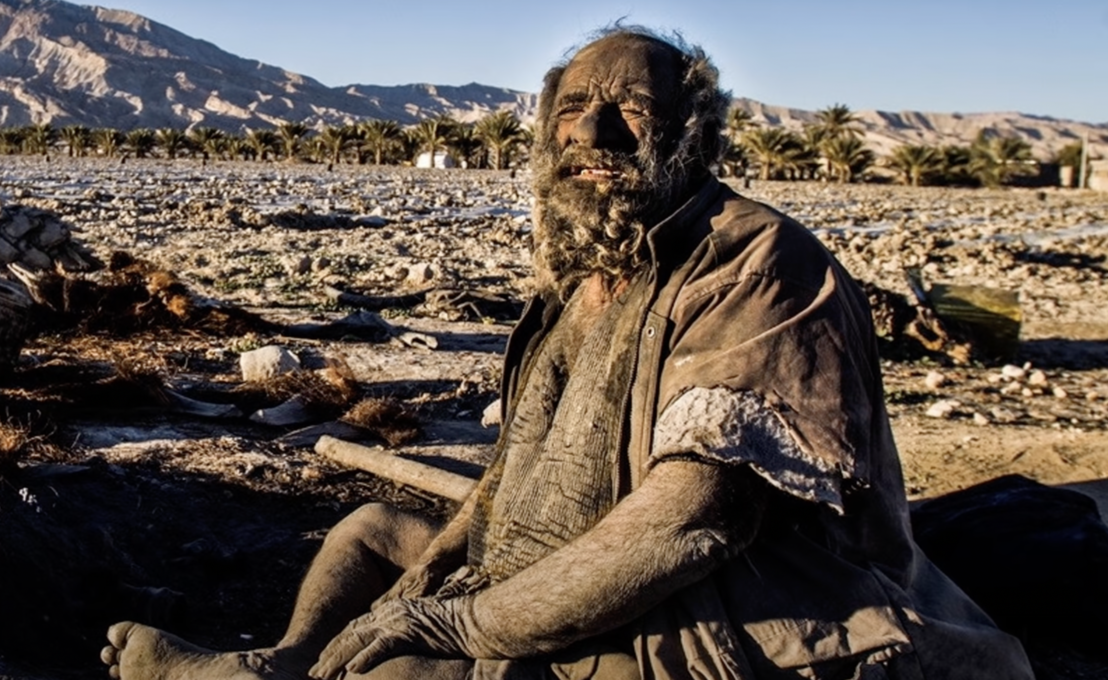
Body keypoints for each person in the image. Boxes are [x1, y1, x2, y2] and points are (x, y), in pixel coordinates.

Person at [102, 28, 1034, 680]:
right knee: (374, 536)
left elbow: (690, 521)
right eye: (574, 107)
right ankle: (284, 662)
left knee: (410, 668)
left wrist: (453, 618)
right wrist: (441, 573)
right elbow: (513, 474)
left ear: (692, 133)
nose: (592, 132)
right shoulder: (577, 282)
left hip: (725, 607)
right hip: (544, 571)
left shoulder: (756, 263)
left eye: (631, 108)